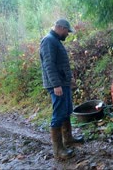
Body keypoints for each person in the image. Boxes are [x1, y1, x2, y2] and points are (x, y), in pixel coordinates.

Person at [39, 19, 83, 160]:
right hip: (56, 85)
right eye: (67, 31)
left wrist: (68, 80)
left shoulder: (55, 40)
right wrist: (56, 84)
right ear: (60, 28)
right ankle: (58, 151)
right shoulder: (48, 41)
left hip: (63, 83)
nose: (67, 34)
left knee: (66, 111)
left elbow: (60, 64)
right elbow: (49, 65)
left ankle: (68, 139)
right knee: (59, 114)